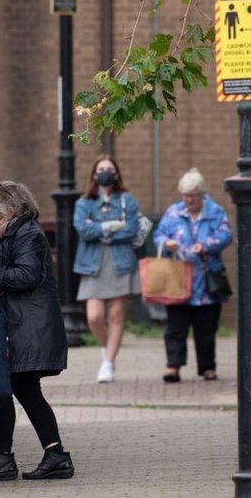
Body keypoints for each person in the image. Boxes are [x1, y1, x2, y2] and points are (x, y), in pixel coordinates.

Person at [0, 181, 72, 483]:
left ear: (9, 209)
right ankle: (49, 456)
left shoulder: (28, 234)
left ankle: (10, 458)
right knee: (20, 390)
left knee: (13, 389)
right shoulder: (12, 233)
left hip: (25, 328)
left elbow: (26, 275)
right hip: (18, 326)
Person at [153, 168, 232, 383]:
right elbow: (158, 235)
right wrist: (166, 243)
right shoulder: (173, 212)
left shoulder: (215, 212)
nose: (189, 200)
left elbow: (226, 235)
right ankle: (173, 366)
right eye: (185, 195)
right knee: (176, 326)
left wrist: (206, 246)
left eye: (193, 195)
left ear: (202, 194)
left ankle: (208, 367)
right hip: (178, 280)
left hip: (206, 281)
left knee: (206, 328)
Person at [73, 155, 141, 383]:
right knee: (94, 317)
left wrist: (100, 229)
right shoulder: (84, 203)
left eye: (109, 168)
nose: (105, 172)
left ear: (116, 174)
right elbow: (83, 230)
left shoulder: (127, 200)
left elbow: (131, 230)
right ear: (94, 174)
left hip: (120, 262)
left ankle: (109, 363)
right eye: (101, 168)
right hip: (93, 263)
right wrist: (113, 226)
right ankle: (106, 348)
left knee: (115, 316)